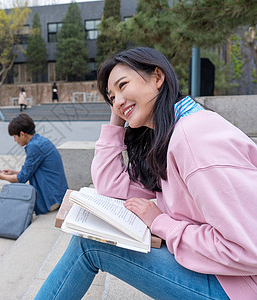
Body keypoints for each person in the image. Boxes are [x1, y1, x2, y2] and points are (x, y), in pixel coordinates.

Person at [35, 47, 257, 299]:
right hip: (224, 275)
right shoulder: (168, 136)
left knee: (89, 245)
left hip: (237, 287)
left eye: (123, 85)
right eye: (111, 97)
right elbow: (109, 185)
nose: (117, 101)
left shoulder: (194, 139)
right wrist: (118, 115)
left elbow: (249, 248)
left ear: (157, 77)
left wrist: (161, 223)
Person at [0, 113, 69, 240]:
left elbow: (21, 179)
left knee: (2, 187)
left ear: (22, 134)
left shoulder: (34, 146)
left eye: (15, 137)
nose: (15, 140)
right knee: (6, 184)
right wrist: (13, 172)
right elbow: (29, 171)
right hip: (55, 194)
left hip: (51, 199)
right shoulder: (40, 141)